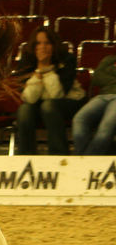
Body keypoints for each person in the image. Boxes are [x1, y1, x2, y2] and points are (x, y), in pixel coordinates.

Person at [14, 26, 85, 154]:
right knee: (24, 110)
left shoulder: (67, 59)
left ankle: (58, 154)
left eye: (47, 43)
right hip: (39, 101)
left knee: (49, 106)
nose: (43, 47)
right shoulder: (27, 61)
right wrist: (38, 72)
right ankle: (26, 156)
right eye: (39, 43)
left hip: (69, 101)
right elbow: (29, 99)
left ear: (54, 45)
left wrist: (46, 68)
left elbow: (57, 94)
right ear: (33, 46)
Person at [72, 53, 116, 155]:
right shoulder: (109, 59)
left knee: (106, 126)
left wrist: (109, 78)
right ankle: (83, 159)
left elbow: (102, 77)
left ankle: (85, 161)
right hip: (103, 96)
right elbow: (97, 78)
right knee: (79, 119)